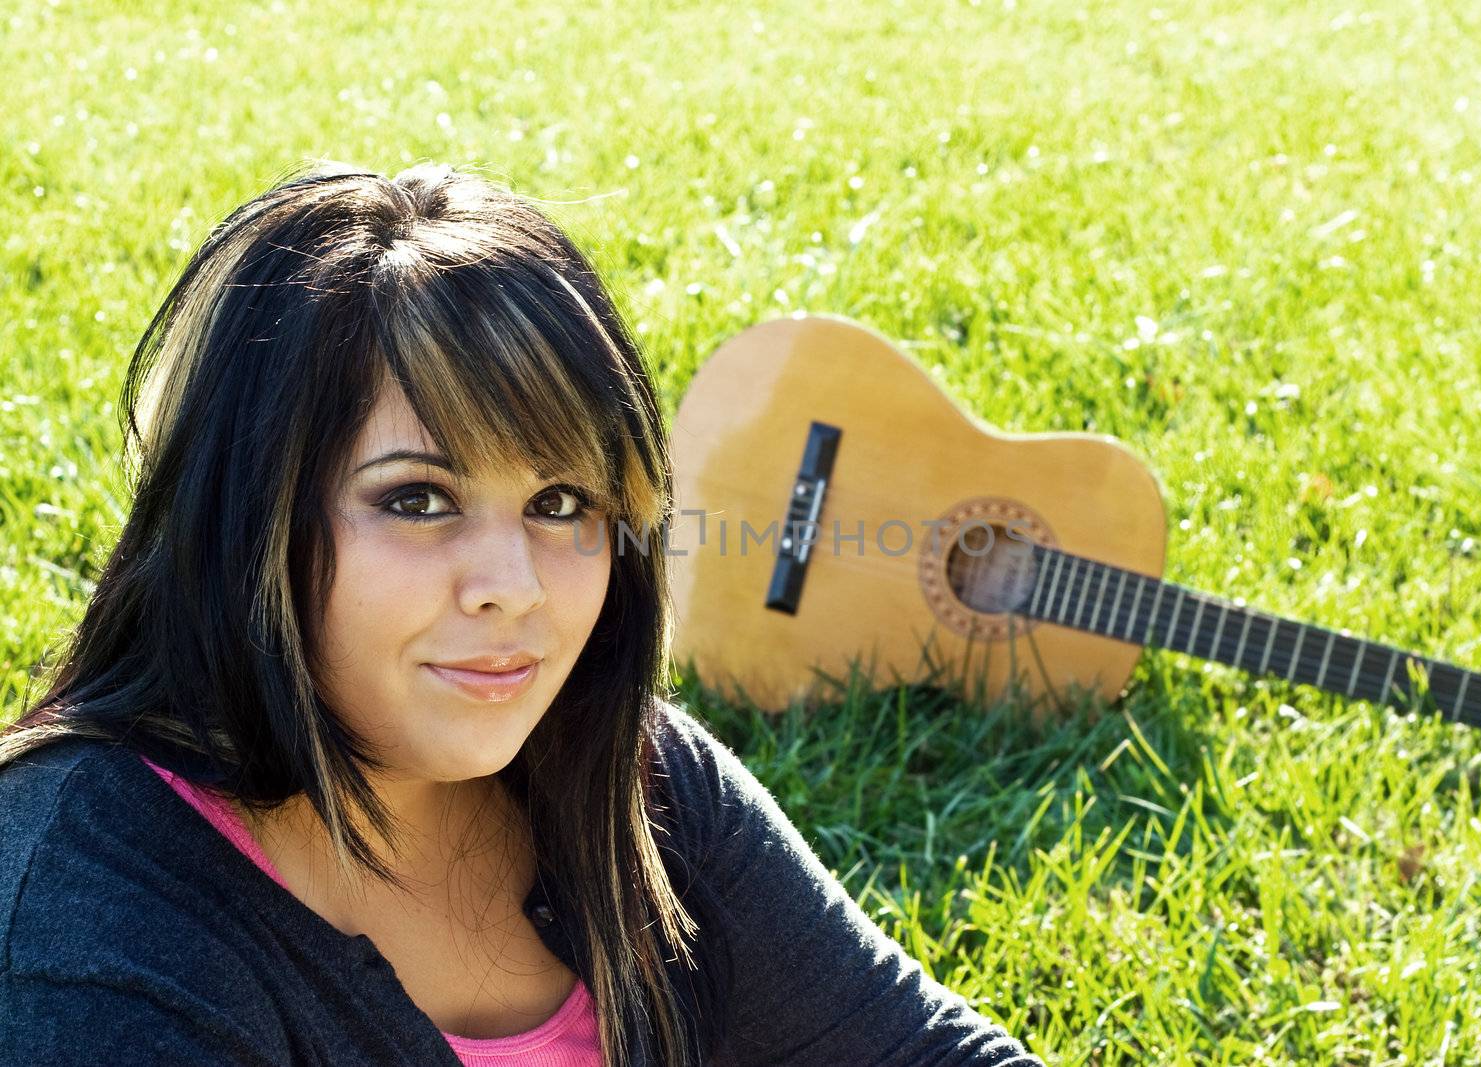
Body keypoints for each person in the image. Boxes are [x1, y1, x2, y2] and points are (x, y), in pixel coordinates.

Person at [0, 163, 1045, 1066]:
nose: (516, 584)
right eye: (417, 498)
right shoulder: (94, 939)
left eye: (561, 502)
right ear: (243, 518)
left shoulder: (628, 777)